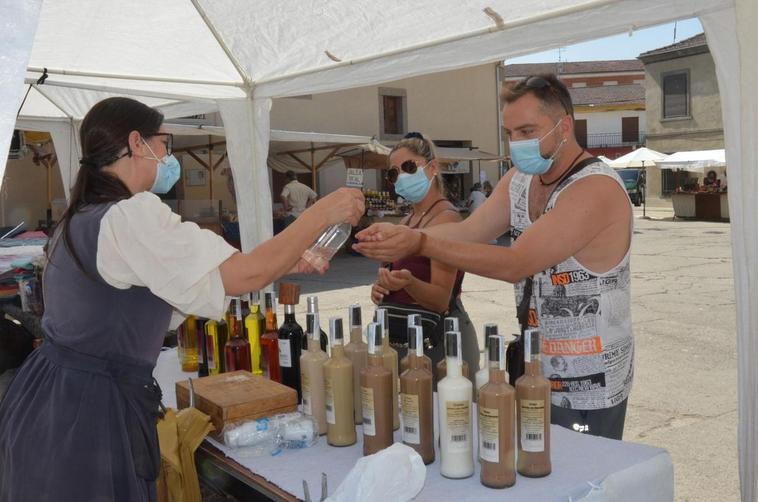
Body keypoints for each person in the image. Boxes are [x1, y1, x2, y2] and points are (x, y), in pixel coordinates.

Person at [0, 97, 364, 501]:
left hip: (50, 398)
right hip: (90, 412)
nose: (167, 156)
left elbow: (193, 281)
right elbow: (247, 273)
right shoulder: (130, 215)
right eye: (164, 143)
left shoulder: (83, 214)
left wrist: (287, 263)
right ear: (137, 143)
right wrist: (322, 212)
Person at [355, 74, 634, 440]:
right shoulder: (520, 180)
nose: (516, 142)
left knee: (582, 489)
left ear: (564, 126)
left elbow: (515, 263)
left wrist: (419, 244)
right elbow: (469, 232)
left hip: (590, 384)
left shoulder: (594, 187)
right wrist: (400, 236)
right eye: (510, 133)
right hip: (534, 370)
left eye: (527, 130)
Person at [371, 132, 478, 383]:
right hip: (405, 338)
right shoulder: (408, 220)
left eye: (408, 167)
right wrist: (382, 286)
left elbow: (441, 299)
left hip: (439, 341)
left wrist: (408, 283)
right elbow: (398, 276)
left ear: (432, 168)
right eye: (394, 173)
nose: (401, 177)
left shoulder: (446, 219)